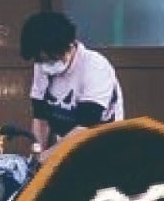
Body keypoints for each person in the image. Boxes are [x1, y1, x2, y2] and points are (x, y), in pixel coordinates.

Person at [21, 10, 124, 146]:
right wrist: (37, 152)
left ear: (69, 46)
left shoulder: (95, 66)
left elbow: (85, 126)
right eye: (41, 60)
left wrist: (49, 154)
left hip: (103, 142)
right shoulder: (42, 65)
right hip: (65, 141)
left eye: (52, 59)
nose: (46, 65)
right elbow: (40, 118)